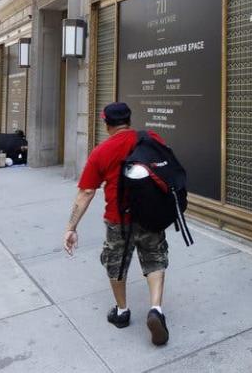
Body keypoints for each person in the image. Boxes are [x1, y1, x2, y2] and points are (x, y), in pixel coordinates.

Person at [63, 102, 172, 346]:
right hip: (151, 215)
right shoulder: (151, 137)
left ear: (106, 123)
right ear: (129, 120)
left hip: (118, 219)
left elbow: (86, 192)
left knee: (116, 263)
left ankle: (122, 311)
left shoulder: (101, 151)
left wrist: (71, 227)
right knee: (154, 258)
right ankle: (156, 309)